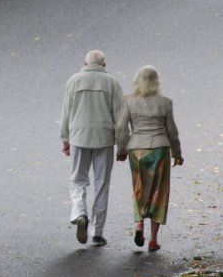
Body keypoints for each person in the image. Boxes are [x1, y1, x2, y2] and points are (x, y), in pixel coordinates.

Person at [116, 66, 183, 251]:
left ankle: (139, 224)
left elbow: (121, 128)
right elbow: (172, 130)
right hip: (160, 150)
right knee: (159, 193)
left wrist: (121, 150)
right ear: (156, 82)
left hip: (137, 150)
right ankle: (153, 239)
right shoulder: (165, 102)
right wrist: (177, 154)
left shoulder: (128, 101)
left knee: (139, 187)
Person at [60, 50, 123, 246]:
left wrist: (65, 138)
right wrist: (122, 146)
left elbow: (66, 112)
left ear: (84, 62)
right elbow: (119, 117)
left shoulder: (74, 81)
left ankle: (80, 213)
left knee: (78, 179)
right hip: (104, 138)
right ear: (104, 65)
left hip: (79, 137)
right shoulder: (112, 83)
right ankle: (97, 233)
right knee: (101, 185)